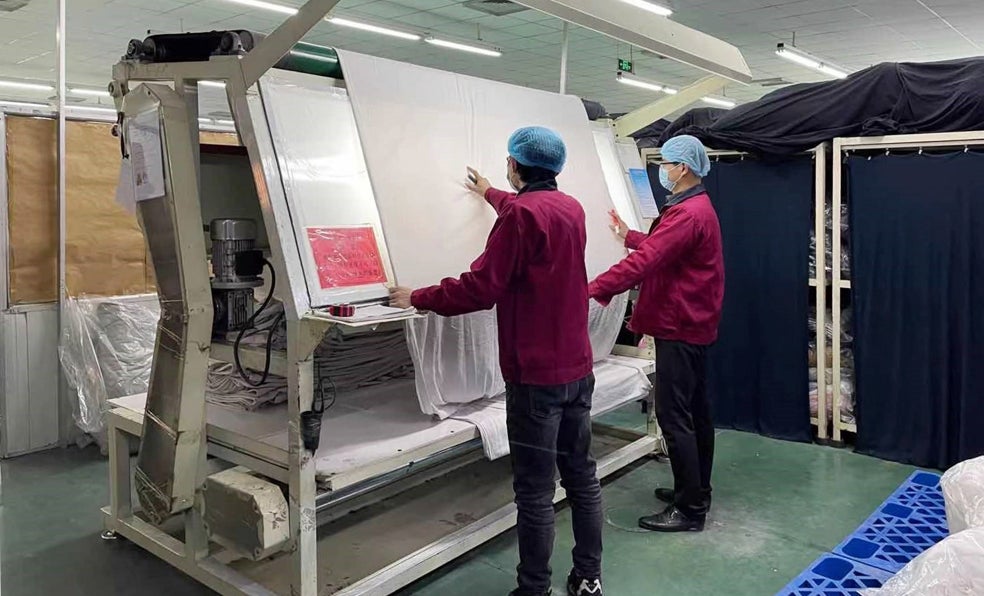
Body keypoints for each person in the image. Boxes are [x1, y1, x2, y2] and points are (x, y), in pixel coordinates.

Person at [389, 126, 604, 596]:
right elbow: (526, 213)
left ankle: (533, 589)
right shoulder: (570, 207)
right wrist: (489, 193)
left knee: (535, 492)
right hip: (577, 369)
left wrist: (418, 297)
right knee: (582, 477)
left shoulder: (521, 216)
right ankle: (589, 578)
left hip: (535, 378)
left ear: (513, 163)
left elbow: (482, 287)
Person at [588, 134, 724, 533]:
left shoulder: (688, 213)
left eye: (666, 164)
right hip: (691, 323)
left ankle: (690, 510)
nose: (662, 170)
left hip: (679, 324)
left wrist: (592, 288)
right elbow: (664, 247)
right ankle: (696, 491)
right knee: (695, 413)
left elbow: (647, 261)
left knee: (674, 415)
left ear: (683, 168)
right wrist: (629, 236)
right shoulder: (694, 207)